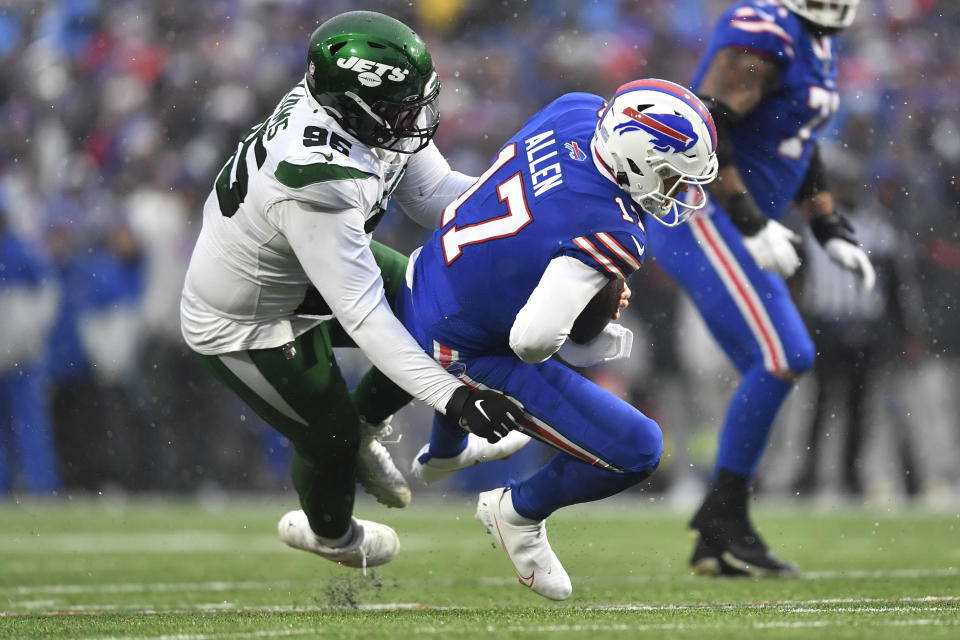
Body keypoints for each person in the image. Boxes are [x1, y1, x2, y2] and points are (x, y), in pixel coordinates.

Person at [180, 11, 522, 571]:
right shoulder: (316, 179)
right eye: (399, 107)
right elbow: (365, 316)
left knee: (430, 303)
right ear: (355, 107)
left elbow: (434, 194)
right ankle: (331, 534)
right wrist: (454, 398)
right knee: (330, 441)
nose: (416, 117)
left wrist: (525, 210)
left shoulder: (355, 112)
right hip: (250, 319)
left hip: (308, 275)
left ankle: (364, 427)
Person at [399, 78, 719, 599]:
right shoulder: (613, 227)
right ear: (637, 158)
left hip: (429, 271)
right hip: (457, 345)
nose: (677, 192)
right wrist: (587, 306)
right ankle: (517, 511)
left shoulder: (574, 111)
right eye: (669, 176)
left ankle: (444, 452)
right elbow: (532, 341)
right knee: (639, 448)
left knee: (491, 314)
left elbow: (525, 215)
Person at [642, 0, 875, 577]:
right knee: (782, 355)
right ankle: (721, 520)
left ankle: (723, 529)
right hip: (703, 212)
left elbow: (799, 136)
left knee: (780, 359)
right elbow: (705, 124)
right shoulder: (765, 29)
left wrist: (828, 225)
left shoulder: (815, 40)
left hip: (733, 219)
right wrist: (749, 219)